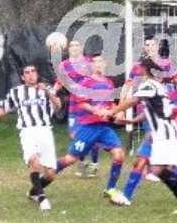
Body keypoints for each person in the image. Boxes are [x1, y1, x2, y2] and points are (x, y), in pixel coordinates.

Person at [110, 58, 177, 214]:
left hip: (164, 132)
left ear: (144, 69)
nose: (136, 70)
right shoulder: (157, 86)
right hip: (163, 131)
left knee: (157, 170)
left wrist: (112, 111)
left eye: (139, 67)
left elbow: (132, 100)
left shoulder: (149, 85)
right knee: (159, 170)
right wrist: (130, 121)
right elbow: (148, 112)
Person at [0, 64, 61, 212]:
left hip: (45, 131)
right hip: (27, 131)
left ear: (37, 74)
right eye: (27, 72)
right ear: (23, 77)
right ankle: (42, 199)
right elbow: (3, 110)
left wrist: (47, 92)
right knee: (34, 162)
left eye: (33, 71)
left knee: (50, 175)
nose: (31, 74)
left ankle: (34, 192)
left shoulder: (46, 89)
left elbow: (58, 105)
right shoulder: (16, 92)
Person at [53, 53, 130, 206]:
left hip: (104, 128)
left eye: (100, 61)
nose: (98, 64)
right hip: (88, 127)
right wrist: (96, 110)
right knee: (70, 160)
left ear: (105, 64)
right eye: (95, 62)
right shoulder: (85, 83)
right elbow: (82, 104)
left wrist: (118, 112)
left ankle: (110, 189)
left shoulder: (109, 83)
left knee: (119, 155)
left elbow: (110, 105)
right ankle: (46, 175)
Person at [52, 39, 99, 178]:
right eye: (72, 46)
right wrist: (51, 93)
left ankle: (94, 164)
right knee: (76, 135)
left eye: (77, 45)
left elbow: (98, 77)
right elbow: (59, 82)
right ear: (68, 49)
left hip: (90, 104)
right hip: (75, 105)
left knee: (94, 135)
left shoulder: (89, 62)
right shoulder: (64, 65)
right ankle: (82, 163)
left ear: (81, 48)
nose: (74, 48)